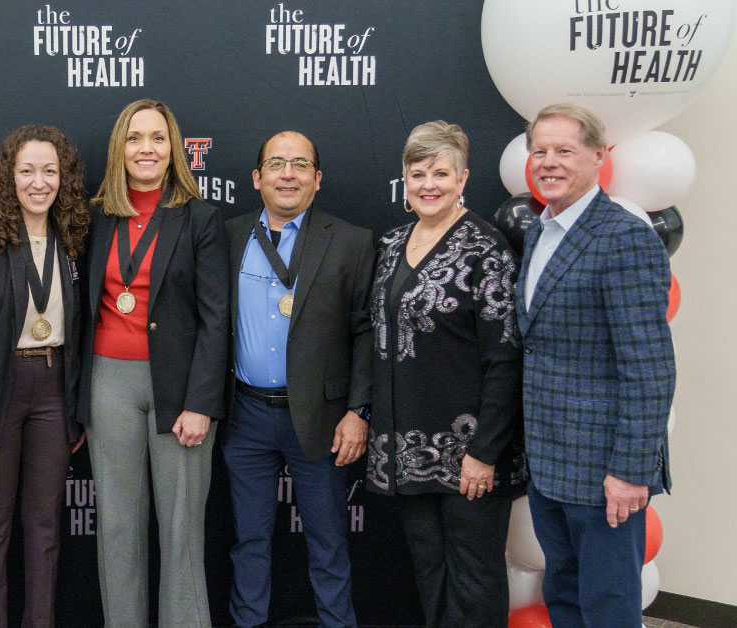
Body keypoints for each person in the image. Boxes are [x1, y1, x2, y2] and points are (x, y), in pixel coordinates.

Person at [518, 103, 675, 627]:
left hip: (606, 473)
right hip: (549, 463)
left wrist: (631, 472)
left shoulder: (624, 236)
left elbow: (649, 368)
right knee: (564, 595)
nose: (549, 162)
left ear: (598, 156)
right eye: (540, 150)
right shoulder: (541, 232)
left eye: (564, 150)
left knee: (608, 607)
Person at [365, 121, 524, 628]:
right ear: (404, 182)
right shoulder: (390, 244)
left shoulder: (487, 248)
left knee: (474, 580)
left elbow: (505, 358)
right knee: (430, 573)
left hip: (468, 455)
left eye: (441, 173)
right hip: (406, 453)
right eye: (418, 173)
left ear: (463, 179)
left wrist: (484, 453)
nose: (428, 184)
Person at [79, 99, 228, 627]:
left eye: (158, 138)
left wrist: (201, 403)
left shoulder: (201, 218)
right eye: (135, 137)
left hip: (179, 390)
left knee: (182, 530)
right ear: (120, 146)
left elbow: (216, 321)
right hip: (107, 385)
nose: (146, 148)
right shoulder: (96, 216)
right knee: (118, 528)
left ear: (174, 149)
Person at [222, 131, 374, 628]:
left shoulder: (350, 241)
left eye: (300, 164)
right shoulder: (228, 236)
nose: (288, 174)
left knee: (328, 543)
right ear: (257, 177)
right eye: (277, 164)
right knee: (249, 541)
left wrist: (359, 411)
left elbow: (365, 333)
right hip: (245, 417)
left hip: (321, 420)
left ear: (317, 178)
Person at [0, 124, 89, 628]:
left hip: (53, 392)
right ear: (9, 177)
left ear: (63, 178)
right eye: (27, 170)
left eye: (49, 171)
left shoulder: (71, 238)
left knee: (45, 528)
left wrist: (79, 408)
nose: (38, 181)